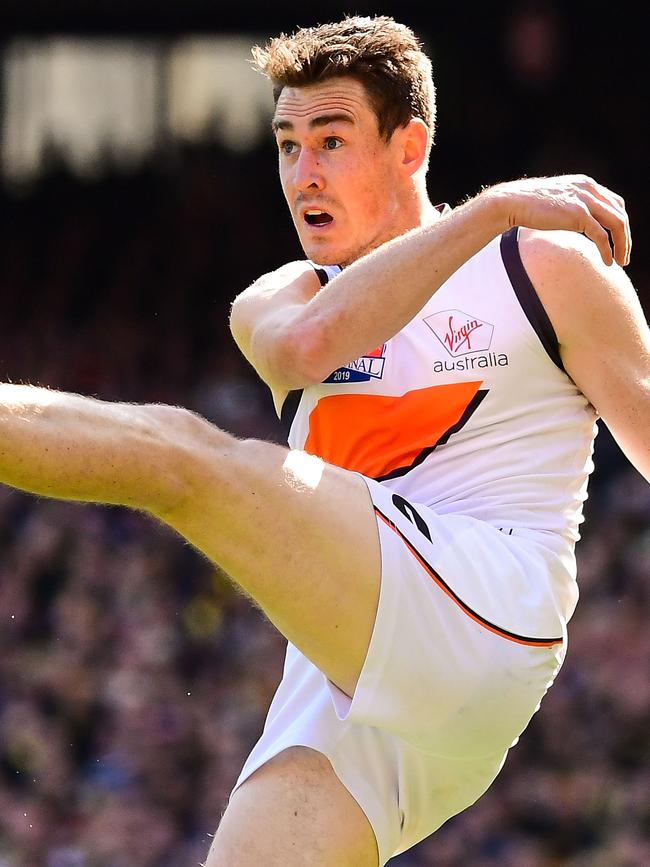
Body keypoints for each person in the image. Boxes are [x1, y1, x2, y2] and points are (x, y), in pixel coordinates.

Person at [0, 13, 647, 867]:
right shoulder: (279, 297)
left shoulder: (544, 264)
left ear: (410, 148)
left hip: (490, 610)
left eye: (332, 141)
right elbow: (308, 348)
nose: (303, 174)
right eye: (286, 145)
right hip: (356, 678)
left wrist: (490, 219)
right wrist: (489, 209)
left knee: (184, 457)